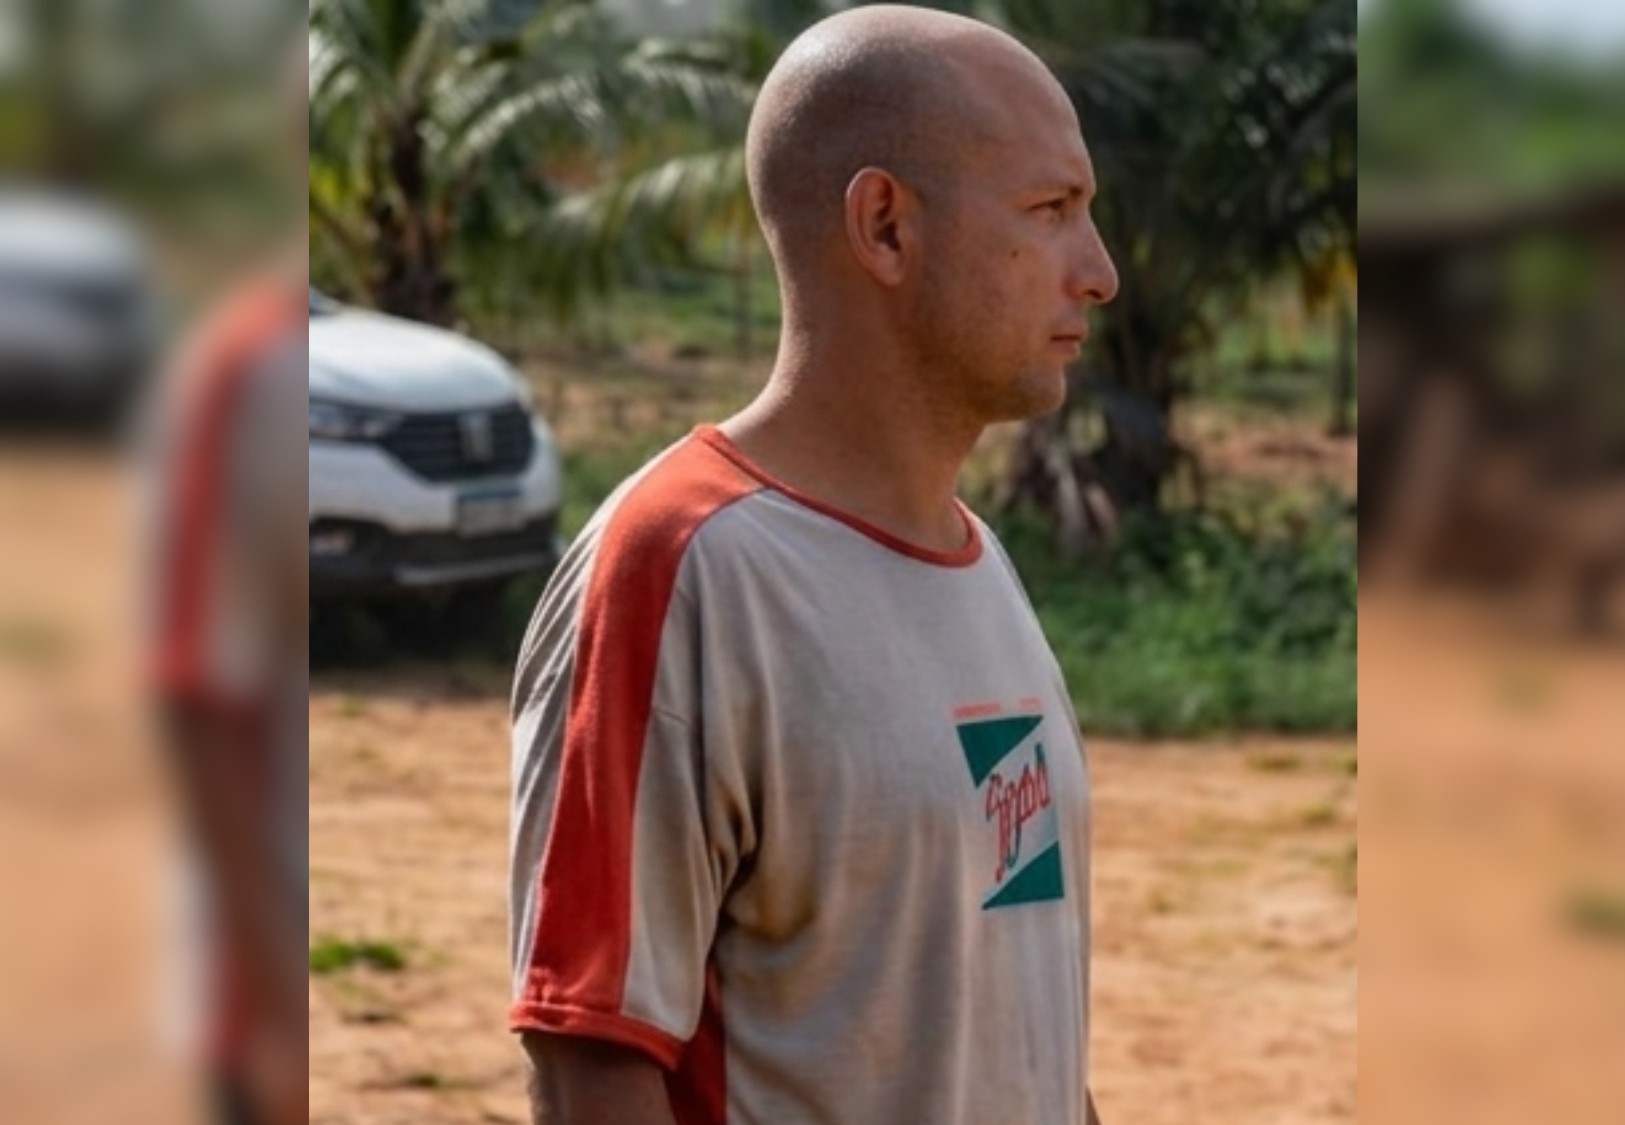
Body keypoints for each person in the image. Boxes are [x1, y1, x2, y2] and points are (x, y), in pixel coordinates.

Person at [508, 6, 1118, 1123]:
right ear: (884, 226)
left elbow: (1015, 1019)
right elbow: (591, 1053)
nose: (1099, 272)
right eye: (1050, 210)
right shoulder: (681, 567)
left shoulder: (977, 560)